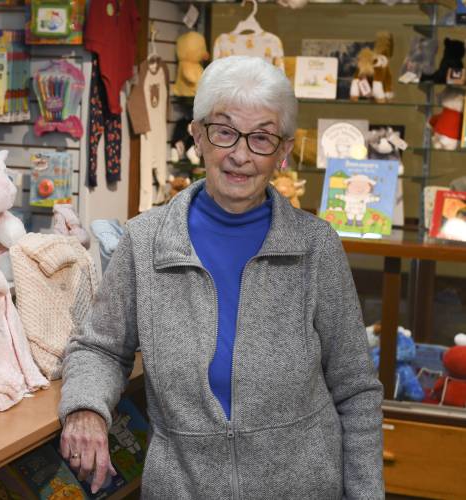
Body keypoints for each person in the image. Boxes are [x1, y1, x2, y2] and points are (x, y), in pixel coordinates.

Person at [58, 56, 384, 499]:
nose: (241, 155)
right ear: (197, 137)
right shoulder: (145, 241)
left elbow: (356, 392)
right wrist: (84, 409)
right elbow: (99, 347)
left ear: (284, 151)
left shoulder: (316, 247)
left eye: (263, 137)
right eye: (225, 131)